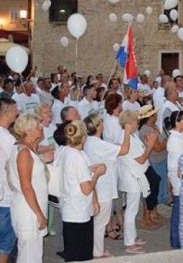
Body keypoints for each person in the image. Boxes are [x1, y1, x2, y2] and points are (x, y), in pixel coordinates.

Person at [83, 113, 135, 258]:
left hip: (100, 187)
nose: (103, 124)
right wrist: (127, 132)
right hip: (103, 188)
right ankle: (97, 252)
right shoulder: (97, 143)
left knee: (99, 222)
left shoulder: (91, 141)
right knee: (100, 223)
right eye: (101, 123)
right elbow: (124, 150)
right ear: (98, 127)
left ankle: (96, 249)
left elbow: (112, 148)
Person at [60, 120, 106, 262]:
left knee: (75, 251)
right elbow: (86, 189)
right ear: (84, 137)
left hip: (72, 208)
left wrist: (91, 170)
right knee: (80, 254)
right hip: (77, 211)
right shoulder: (78, 157)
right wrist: (97, 174)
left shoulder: (65, 151)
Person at [8, 113, 49, 263]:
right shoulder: (24, 152)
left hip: (30, 206)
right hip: (28, 210)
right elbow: (26, 186)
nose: (41, 128)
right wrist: (39, 214)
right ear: (29, 130)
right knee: (29, 255)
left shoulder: (26, 149)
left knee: (34, 253)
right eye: (38, 126)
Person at [117, 109, 156, 254]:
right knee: (131, 211)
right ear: (128, 123)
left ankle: (132, 236)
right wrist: (150, 146)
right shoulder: (125, 136)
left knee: (133, 210)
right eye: (134, 121)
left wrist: (146, 146)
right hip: (132, 177)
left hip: (135, 175)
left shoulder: (130, 135)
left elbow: (140, 153)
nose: (136, 123)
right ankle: (129, 242)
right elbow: (141, 158)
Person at [0, 97, 18, 263]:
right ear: (6, 112)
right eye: (14, 111)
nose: (17, 113)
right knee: (4, 246)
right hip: (6, 197)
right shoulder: (6, 138)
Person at [137, 106, 166, 225]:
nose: (156, 115)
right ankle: (146, 216)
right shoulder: (145, 130)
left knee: (156, 188)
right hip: (153, 161)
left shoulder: (153, 127)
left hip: (159, 160)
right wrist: (167, 143)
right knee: (149, 189)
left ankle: (154, 211)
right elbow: (157, 147)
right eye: (154, 114)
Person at [165, 110, 183, 249]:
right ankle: (176, 241)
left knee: (181, 210)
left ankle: (178, 238)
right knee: (178, 211)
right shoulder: (174, 140)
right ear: (178, 122)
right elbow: (179, 163)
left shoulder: (180, 136)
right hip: (178, 178)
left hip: (181, 177)